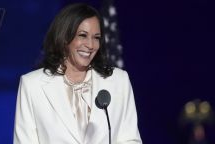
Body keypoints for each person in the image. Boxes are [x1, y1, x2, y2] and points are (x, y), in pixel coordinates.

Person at [13, 3, 142, 144]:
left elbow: (130, 140)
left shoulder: (119, 81)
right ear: (64, 38)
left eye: (96, 37)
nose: (91, 45)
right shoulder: (32, 85)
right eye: (83, 35)